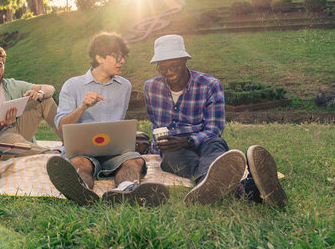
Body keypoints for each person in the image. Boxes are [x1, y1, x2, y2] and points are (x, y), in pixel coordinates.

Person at [144, 34, 288, 207]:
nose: (168, 72)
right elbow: (155, 123)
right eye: (162, 68)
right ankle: (246, 187)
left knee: (214, 145)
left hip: (204, 140)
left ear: (184, 60)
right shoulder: (150, 87)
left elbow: (215, 128)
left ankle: (208, 186)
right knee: (174, 158)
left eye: (174, 66)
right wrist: (162, 144)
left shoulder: (210, 85)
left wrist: (189, 140)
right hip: (173, 150)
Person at [46, 32, 169, 207]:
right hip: (82, 152)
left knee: (135, 160)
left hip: (115, 151)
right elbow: (61, 128)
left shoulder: (124, 86)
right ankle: (82, 191)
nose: (123, 61)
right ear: (99, 57)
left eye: (124, 56)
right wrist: (83, 107)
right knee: (80, 163)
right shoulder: (72, 85)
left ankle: (127, 190)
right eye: (117, 56)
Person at [0, 46, 61, 152]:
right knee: (10, 140)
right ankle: (52, 154)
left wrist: (40, 94)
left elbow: (50, 88)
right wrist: (3, 124)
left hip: (20, 127)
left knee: (45, 99)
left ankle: (70, 144)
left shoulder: (12, 85)